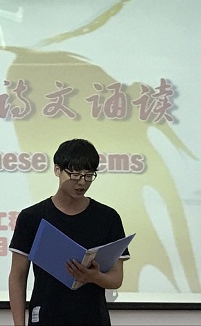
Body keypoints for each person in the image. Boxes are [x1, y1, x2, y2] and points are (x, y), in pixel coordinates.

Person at [8, 138, 130, 326]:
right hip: (46, 317)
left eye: (88, 175)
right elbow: (17, 276)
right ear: (57, 170)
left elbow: (116, 278)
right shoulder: (32, 217)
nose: (82, 182)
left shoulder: (107, 217)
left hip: (92, 318)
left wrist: (93, 276)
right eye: (75, 174)